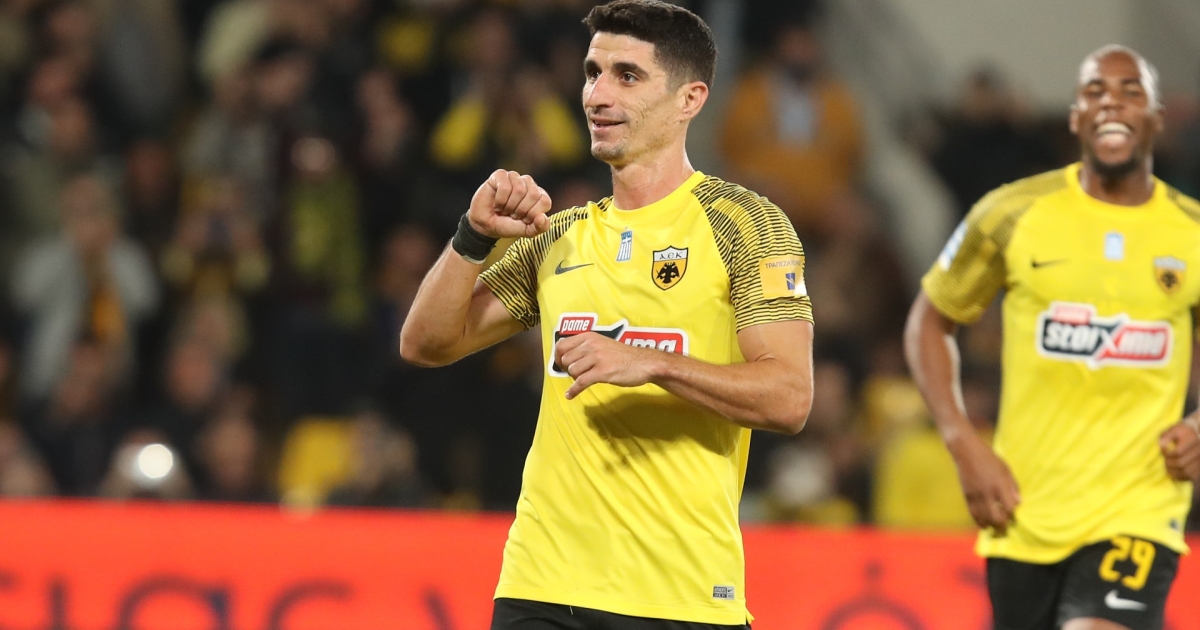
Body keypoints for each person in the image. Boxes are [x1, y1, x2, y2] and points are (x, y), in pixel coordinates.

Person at [400, 2, 815, 628]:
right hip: (540, 586)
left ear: (689, 99)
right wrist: (472, 238)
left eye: (627, 76)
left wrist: (651, 363)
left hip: (678, 595)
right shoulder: (557, 236)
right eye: (592, 73)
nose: (597, 95)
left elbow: (788, 397)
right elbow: (425, 344)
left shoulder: (745, 225)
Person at [904, 46, 1200, 630]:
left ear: (1156, 119)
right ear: (1074, 117)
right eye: (1095, 92)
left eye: (1131, 92)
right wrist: (963, 442)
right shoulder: (1011, 212)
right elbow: (929, 323)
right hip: (1023, 510)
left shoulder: (1191, 230)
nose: (1112, 102)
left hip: (1140, 507)